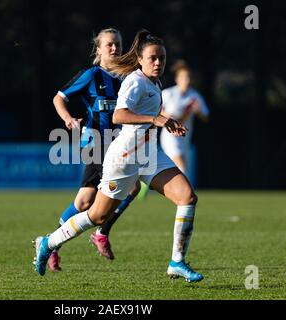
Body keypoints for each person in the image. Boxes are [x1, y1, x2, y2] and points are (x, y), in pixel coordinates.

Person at [33, 29, 204, 283]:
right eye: (153, 58)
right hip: (124, 157)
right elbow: (119, 116)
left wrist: (167, 121)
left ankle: (176, 262)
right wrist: (156, 119)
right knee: (95, 214)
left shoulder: (154, 82)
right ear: (140, 60)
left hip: (150, 154)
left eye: (162, 58)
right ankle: (49, 241)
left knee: (187, 197)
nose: (158, 63)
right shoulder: (134, 81)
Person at [48, 28, 141, 272]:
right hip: (96, 141)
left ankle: (95, 234)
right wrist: (68, 119)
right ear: (98, 49)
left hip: (120, 142)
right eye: (109, 44)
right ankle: (53, 244)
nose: (115, 49)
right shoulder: (91, 75)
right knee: (87, 200)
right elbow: (59, 98)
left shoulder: (128, 77)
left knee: (127, 189)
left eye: (118, 44)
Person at [160, 60, 209, 174]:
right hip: (170, 136)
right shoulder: (168, 93)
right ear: (177, 79)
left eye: (189, 77)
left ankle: (147, 183)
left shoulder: (194, 95)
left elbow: (206, 116)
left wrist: (197, 111)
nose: (187, 80)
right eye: (184, 77)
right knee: (182, 168)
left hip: (185, 138)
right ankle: (183, 191)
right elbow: (157, 110)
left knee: (175, 169)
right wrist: (169, 117)